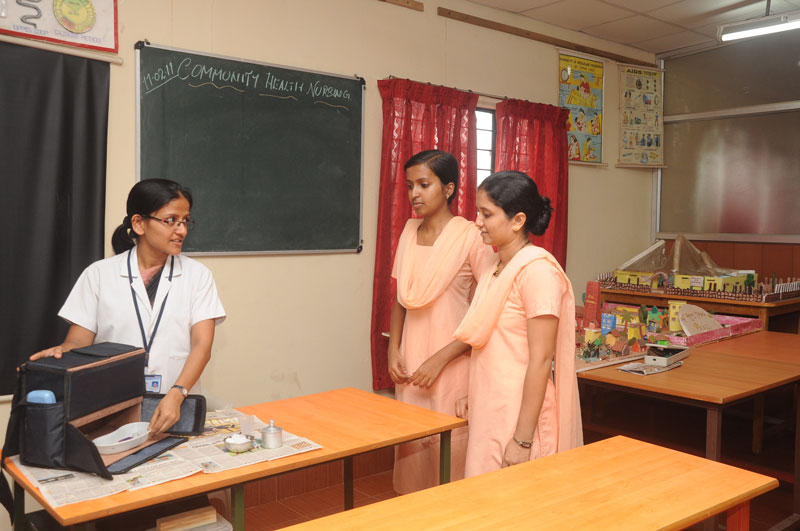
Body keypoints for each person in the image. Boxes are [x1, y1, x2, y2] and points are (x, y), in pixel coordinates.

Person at [31, 179, 226, 435]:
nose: (182, 231)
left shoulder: (198, 276)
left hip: (174, 408)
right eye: (171, 220)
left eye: (185, 221)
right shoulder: (99, 274)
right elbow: (78, 342)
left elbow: (202, 345)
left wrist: (178, 393)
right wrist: (62, 351)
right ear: (138, 223)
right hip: (112, 410)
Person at [453, 171, 582, 478]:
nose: (477, 222)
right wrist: (473, 392)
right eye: (477, 213)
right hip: (490, 406)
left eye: (486, 214)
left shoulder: (537, 272)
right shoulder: (493, 266)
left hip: (521, 415)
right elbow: (493, 344)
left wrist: (522, 440)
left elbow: (540, 360)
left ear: (517, 220)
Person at [388, 150, 492, 493]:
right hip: (411, 362)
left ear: (448, 189)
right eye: (409, 186)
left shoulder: (471, 237)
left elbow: (486, 312)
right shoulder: (407, 232)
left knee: (451, 448)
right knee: (412, 451)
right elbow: (401, 298)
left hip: (453, 362)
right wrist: (393, 349)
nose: (414, 194)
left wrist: (441, 358)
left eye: (424, 184)